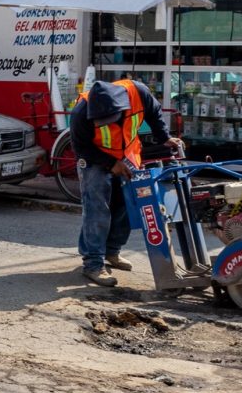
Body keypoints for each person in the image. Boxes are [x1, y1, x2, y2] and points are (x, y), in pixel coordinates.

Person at [69, 77, 175, 286]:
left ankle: (112, 251)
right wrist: (110, 163)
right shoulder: (81, 112)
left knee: (127, 205)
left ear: (121, 107)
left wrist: (164, 137)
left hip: (128, 155)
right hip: (95, 160)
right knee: (97, 208)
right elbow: (81, 148)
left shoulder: (139, 93)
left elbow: (154, 113)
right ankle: (93, 263)